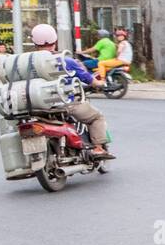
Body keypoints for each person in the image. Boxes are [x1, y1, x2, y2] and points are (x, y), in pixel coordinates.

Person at [29, 23, 112, 160]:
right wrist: (98, 83)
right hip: (66, 104)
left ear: (34, 42)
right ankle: (98, 148)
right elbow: (86, 77)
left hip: (37, 107)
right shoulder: (64, 61)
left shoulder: (28, 63)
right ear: (55, 41)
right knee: (96, 117)